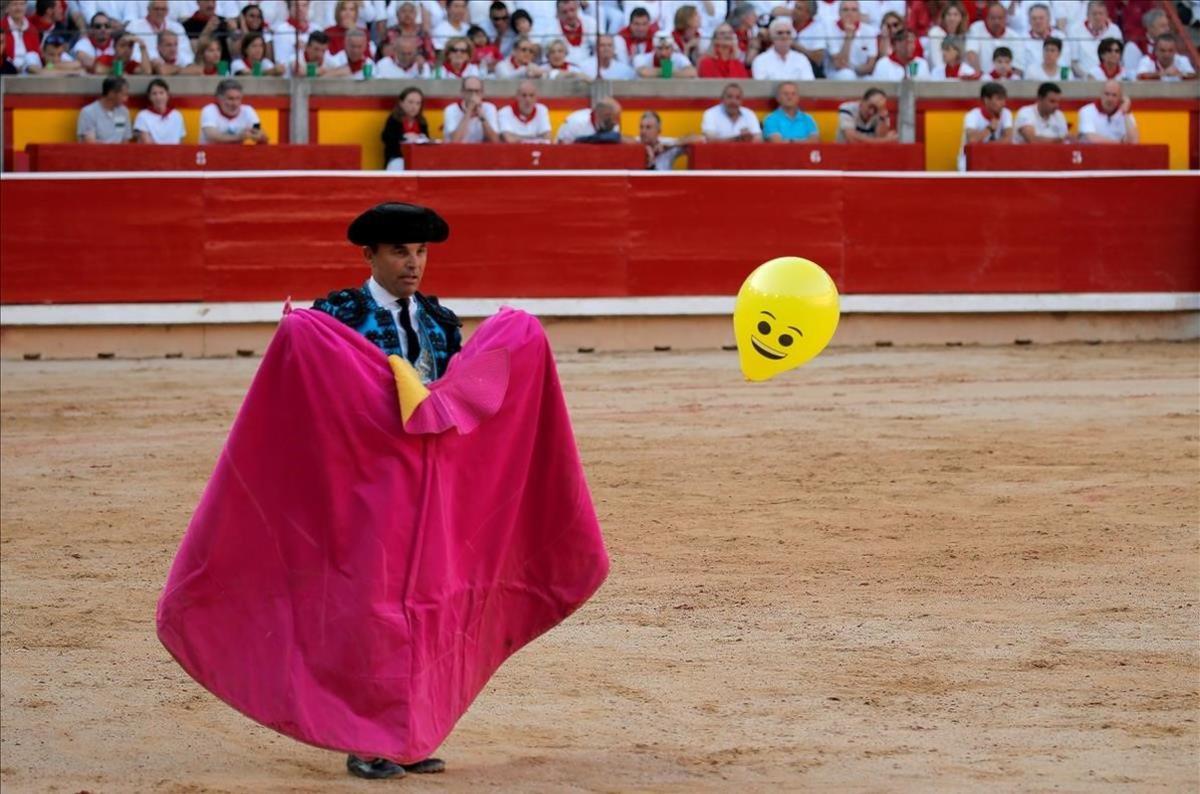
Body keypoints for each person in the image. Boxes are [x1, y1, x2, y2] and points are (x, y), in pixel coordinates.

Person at [313, 204, 461, 385]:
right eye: (400, 252)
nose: (414, 264)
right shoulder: (337, 319)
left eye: (420, 251)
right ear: (369, 255)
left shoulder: (441, 322)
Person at [958, 81, 1013, 170]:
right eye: (999, 99)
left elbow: (1008, 139)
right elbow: (972, 140)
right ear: (986, 100)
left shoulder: (1006, 113)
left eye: (1004, 99)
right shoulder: (972, 115)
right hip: (970, 161)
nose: (1003, 103)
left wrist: (985, 148)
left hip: (996, 159)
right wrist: (989, 128)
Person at [200, 78, 269, 145]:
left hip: (238, 155)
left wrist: (259, 137)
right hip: (211, 154)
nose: (235, 103)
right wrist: (238, 137)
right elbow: (211, 136)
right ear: (219, 98)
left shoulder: (248, 111)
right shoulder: (209, 110)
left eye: (238, 98)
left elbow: (261, 135)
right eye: (230, 99)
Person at [1069, 0, 1123, 78]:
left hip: (1110, 79)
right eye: (1094, 14)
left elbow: (1118, 59)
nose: (1098, 17)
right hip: (1084, 80)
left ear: (1106, 15)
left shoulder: (1115, 30)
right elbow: (1073, 63)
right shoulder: (1075, 30)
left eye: (1101, 14)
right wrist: (1088, 78)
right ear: (1087, 15)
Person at [826, 0, 879, 79]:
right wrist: (848, 37)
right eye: (845, 10)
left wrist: (854, 68)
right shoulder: (830, 29)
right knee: (847, 75)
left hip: (861, 73)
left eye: (854, 10)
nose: (849, 13)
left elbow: (870, 65)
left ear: (859, 14)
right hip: (837, 74)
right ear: (839, 13)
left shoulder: (869, 31)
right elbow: (840, 64)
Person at [965, 0, 1021, 75]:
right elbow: (971, 53)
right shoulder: (976, 28)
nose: (996, 22)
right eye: (993, 18)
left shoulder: (1014, 36)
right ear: (987, 18)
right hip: (982, 81)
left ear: (1005, 19)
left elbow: (1018, 67)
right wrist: (980, 76)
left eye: (1000, 18)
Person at [382, 86, 430, 170]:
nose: (414, 107)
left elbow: (427, 142)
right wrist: (404, 137)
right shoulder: (394, 119)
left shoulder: (422, 121)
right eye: (410, 102)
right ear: (401, 103)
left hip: (418, 159)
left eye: (418, 103)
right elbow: (386, 138)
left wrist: (422, 139)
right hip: (397, 159)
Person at [1076, 79, 1138, 143]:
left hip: (1117, 152)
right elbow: (1091, 138)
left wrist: (1126, 113)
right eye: (1107, 94)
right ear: (1101, 94)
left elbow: (1134, 141)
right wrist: (1120, 143)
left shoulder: (1125, 112)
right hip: (1092, 152)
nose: (1110, 99)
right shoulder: (1087, 111)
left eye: (1114, 95)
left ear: (1120, 98)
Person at [443, 76, 499, 143]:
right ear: (462, 92)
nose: (473, 95)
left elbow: (495, 140)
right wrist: (469, 110)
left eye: (477, 91)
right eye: (469, 91)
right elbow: (455, 141)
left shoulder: (489, 108)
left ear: (482, 93)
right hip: (458, 151)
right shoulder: (451, 109)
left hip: (481, 151)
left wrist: (481, 114)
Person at [77, 75, 132, 143]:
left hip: (119, 152)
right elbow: (90, 143)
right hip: (97, 153)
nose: (126, 99)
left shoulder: (123, 112)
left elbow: (125, 140)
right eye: (124, 95)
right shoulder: (88, 112)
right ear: (111, 93)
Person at [1013, 3, 1063, 74]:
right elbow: (1019, 67)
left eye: (1041, 18)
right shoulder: (1021, 39)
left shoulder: (1060, 37)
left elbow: (1065, 64)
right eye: (1034, 18)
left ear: (1049, 19)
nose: (1038, 21)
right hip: (1030, 81)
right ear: (1029, 21)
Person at [134, 77, 186, 144]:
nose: (158, 97)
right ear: (149, 97)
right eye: (154, 94)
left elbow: (180, 142)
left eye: (161, 93)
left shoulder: (177, 115)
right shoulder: (143, 116)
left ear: (167, 95)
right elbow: (146, 144)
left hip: (174, 153)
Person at [184, 0, 235, 65]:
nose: (211, 5)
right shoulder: (188, 25)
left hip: (224, 67)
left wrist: (233, 32)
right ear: (198, 2)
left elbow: (235, 52)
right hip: (203, 69)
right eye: (206, 1)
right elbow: (195, 51)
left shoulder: (223, 22)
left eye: (213, 1)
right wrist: (207, 30)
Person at [923, 0, 968, 71]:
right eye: (949, 14)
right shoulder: (936, 32)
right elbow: (937, 63)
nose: (952, 18)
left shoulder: (964, 36)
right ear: (944, 17)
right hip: (938, 76)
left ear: (961, 17)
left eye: (955, 15)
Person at [555, 97, 622, 144]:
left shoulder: (613, 124)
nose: (616, 122)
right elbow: (562, 146)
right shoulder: (575, 121)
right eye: (614, 118)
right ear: (605, 115)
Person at [790, 0, 828, 76]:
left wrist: (795, 46)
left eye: (799, 8)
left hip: (809, 67)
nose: (794, 10)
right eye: (795, 7)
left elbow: (818, 59)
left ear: (808, 14)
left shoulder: (818, 28)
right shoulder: (785, 22)